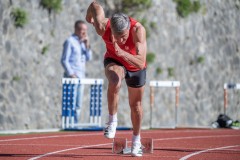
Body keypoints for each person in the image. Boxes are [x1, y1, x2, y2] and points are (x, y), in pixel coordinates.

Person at [86, 1, 147, 157]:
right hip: (114, 61)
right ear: (110, 28)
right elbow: (94, 5)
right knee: (114, 80)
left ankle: (136, 141)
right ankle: (112, 121)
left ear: (128, 29)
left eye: (123, 36)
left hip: (135, 66)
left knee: (136, 106)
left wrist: (122, 53)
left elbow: (140, 62)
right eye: (116, 36)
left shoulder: (137, 30)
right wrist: (88, 17)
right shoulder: (103, 27)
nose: (119, 40)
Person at [61, 20, 92, 123]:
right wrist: (71, 74)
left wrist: (87, 46)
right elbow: (64, 60)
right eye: (82, 30)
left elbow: (89, 58)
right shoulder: (70, 41)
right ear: (76, 29)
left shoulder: (83, 43)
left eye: (85, 30)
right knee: (70, 102)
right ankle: (68, 124)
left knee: (78, 103)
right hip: (72, 77)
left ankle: (75, 124)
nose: (84, 32)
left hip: (81, 77)